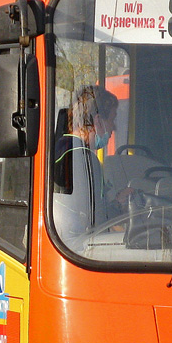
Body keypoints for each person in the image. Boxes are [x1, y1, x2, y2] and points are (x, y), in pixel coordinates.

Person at [52, 85, 122, 234]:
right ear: (97, 121)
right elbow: (96, 219)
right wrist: (119, 203)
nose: (113, 128)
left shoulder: (59, 148)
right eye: (112, 120)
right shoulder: (84, 159)